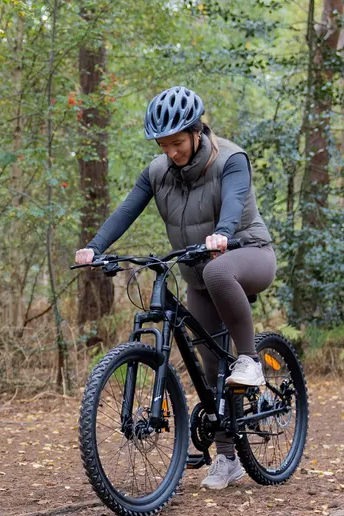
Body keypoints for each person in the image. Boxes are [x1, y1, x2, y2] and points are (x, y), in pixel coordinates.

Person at [74, 86, 276, 491]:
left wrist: (221, 233)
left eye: (177, 142)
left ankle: (251, 360)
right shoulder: (157, 172)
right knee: (210, 363)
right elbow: (128, 208)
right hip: (197, 271)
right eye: (163, 144)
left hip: (248, 253)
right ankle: (227, 459)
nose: (171, 151)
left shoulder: (230, 160)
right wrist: (96, 246)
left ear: (197, 131)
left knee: (219, 276)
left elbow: (234, 204)